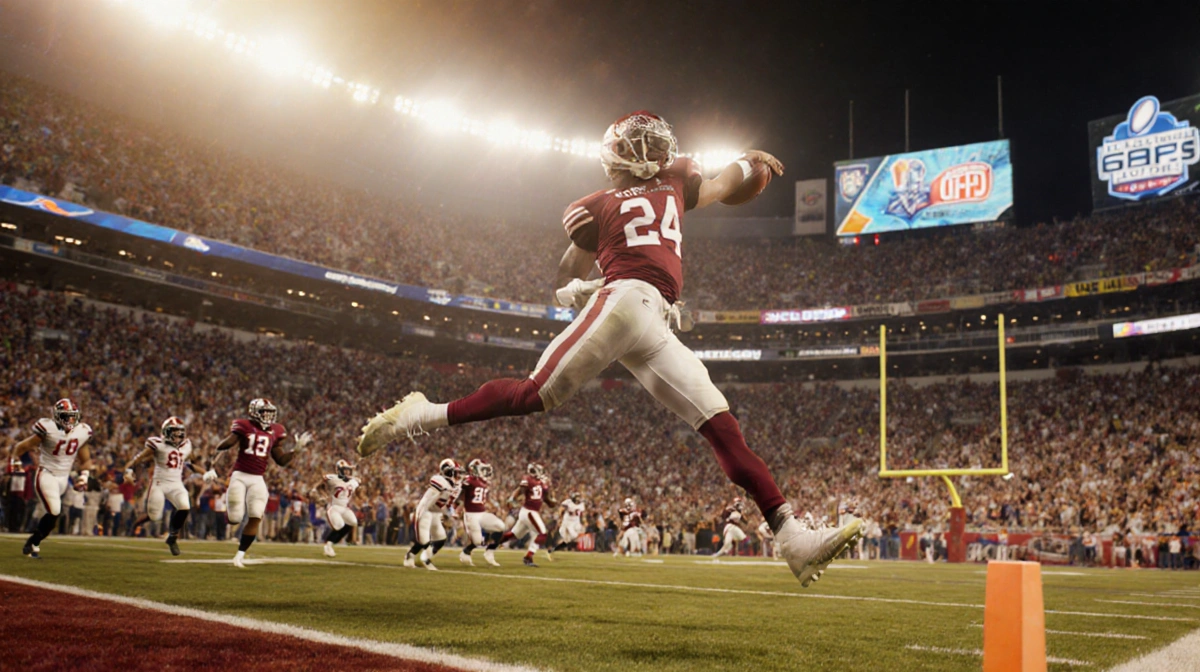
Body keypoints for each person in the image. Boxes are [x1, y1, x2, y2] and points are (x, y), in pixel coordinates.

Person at [357, 111, 861, 587]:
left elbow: (563, 276)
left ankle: (792, 538)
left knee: (720, 424)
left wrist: (574, 289)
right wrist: (751, 161)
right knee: (535, 396)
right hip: (625, 300)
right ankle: (419, 415)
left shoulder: (600, 203)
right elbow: (729, 185)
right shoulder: (674, 181)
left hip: (655, 319)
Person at [203, 398, 313, 568]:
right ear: (254, 412)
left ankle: (240, 555)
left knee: (256, 516)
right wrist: (211, 465)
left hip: (257, 478)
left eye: (270, 413)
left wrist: (295, 451)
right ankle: (226, 521)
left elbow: (281, 460)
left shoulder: (276, 431)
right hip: (239, 475)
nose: (268, 416)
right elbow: (226, 445)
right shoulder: (244, 426)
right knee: (235, 518)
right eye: (265, 412)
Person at [7, 399, 95, 559]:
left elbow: (86, 460)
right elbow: (22, 446)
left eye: (72, 416)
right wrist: (16, 459)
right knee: (55, 510)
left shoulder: (82, 432)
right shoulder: (48, 429)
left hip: (64, 478)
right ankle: (32, 542)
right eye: (66, 416)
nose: (70, 420)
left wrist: (84, 477)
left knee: (54, 515)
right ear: (57, 416)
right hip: (46, 474)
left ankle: (35, 542)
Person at [120, 417, 202, 555]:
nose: (177, 435)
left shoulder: (186, 445)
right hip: (159, 482)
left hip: (176, 484)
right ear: (166, 432)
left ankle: (172, 537)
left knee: (185, 506)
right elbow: (138, 459)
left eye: (179, 432)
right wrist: (128, 471)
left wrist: (199, 466)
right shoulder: (157, 444)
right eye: (174, 432)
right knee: (154, 516)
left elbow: (190, 458)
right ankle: (135, 524)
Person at [489, 463, 555, 567]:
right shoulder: (528, 479)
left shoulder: (541, 483)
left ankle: (492, 545)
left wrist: (552, 500)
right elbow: (520, 490)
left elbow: (547, 500)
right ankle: (528, 557)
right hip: (529, 511)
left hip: (530, 512)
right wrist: (512, 498)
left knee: (515, 534)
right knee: (542, 533)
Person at [405, 458, 463, 570]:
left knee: (440, 538)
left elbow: (445, 504)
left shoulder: (452, 486)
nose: (458, 476)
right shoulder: (440, 481)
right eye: (456, 472)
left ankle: (423, 557)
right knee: (424, 540)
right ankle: (414, 558)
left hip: (435, 513)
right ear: (448, 471)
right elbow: (429, 501)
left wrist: (448, 515)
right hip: (425, 511)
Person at [456, 459, 504, 567]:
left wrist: (492, 506)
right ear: (475, 470)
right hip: (471, 514)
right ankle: (465, 553)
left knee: (500, 526)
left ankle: (489, 553)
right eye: (483, 469)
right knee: (477, 541)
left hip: (482, 513)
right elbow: (460, 494)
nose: (485, 472)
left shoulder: (483, 482)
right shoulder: (469, 480)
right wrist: (457, 507)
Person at [312, 459, 361, 558]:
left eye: (348, 470)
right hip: (334, 507)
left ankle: (333, 543)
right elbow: (319, 486)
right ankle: (328, 545)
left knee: (353, 522)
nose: (347, 472)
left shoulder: (353, 481)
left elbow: (358, 488)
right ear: (339, 470)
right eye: (345, 470)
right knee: (339, 525)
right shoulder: (332, 478)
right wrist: (320, 494)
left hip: (345, 508)